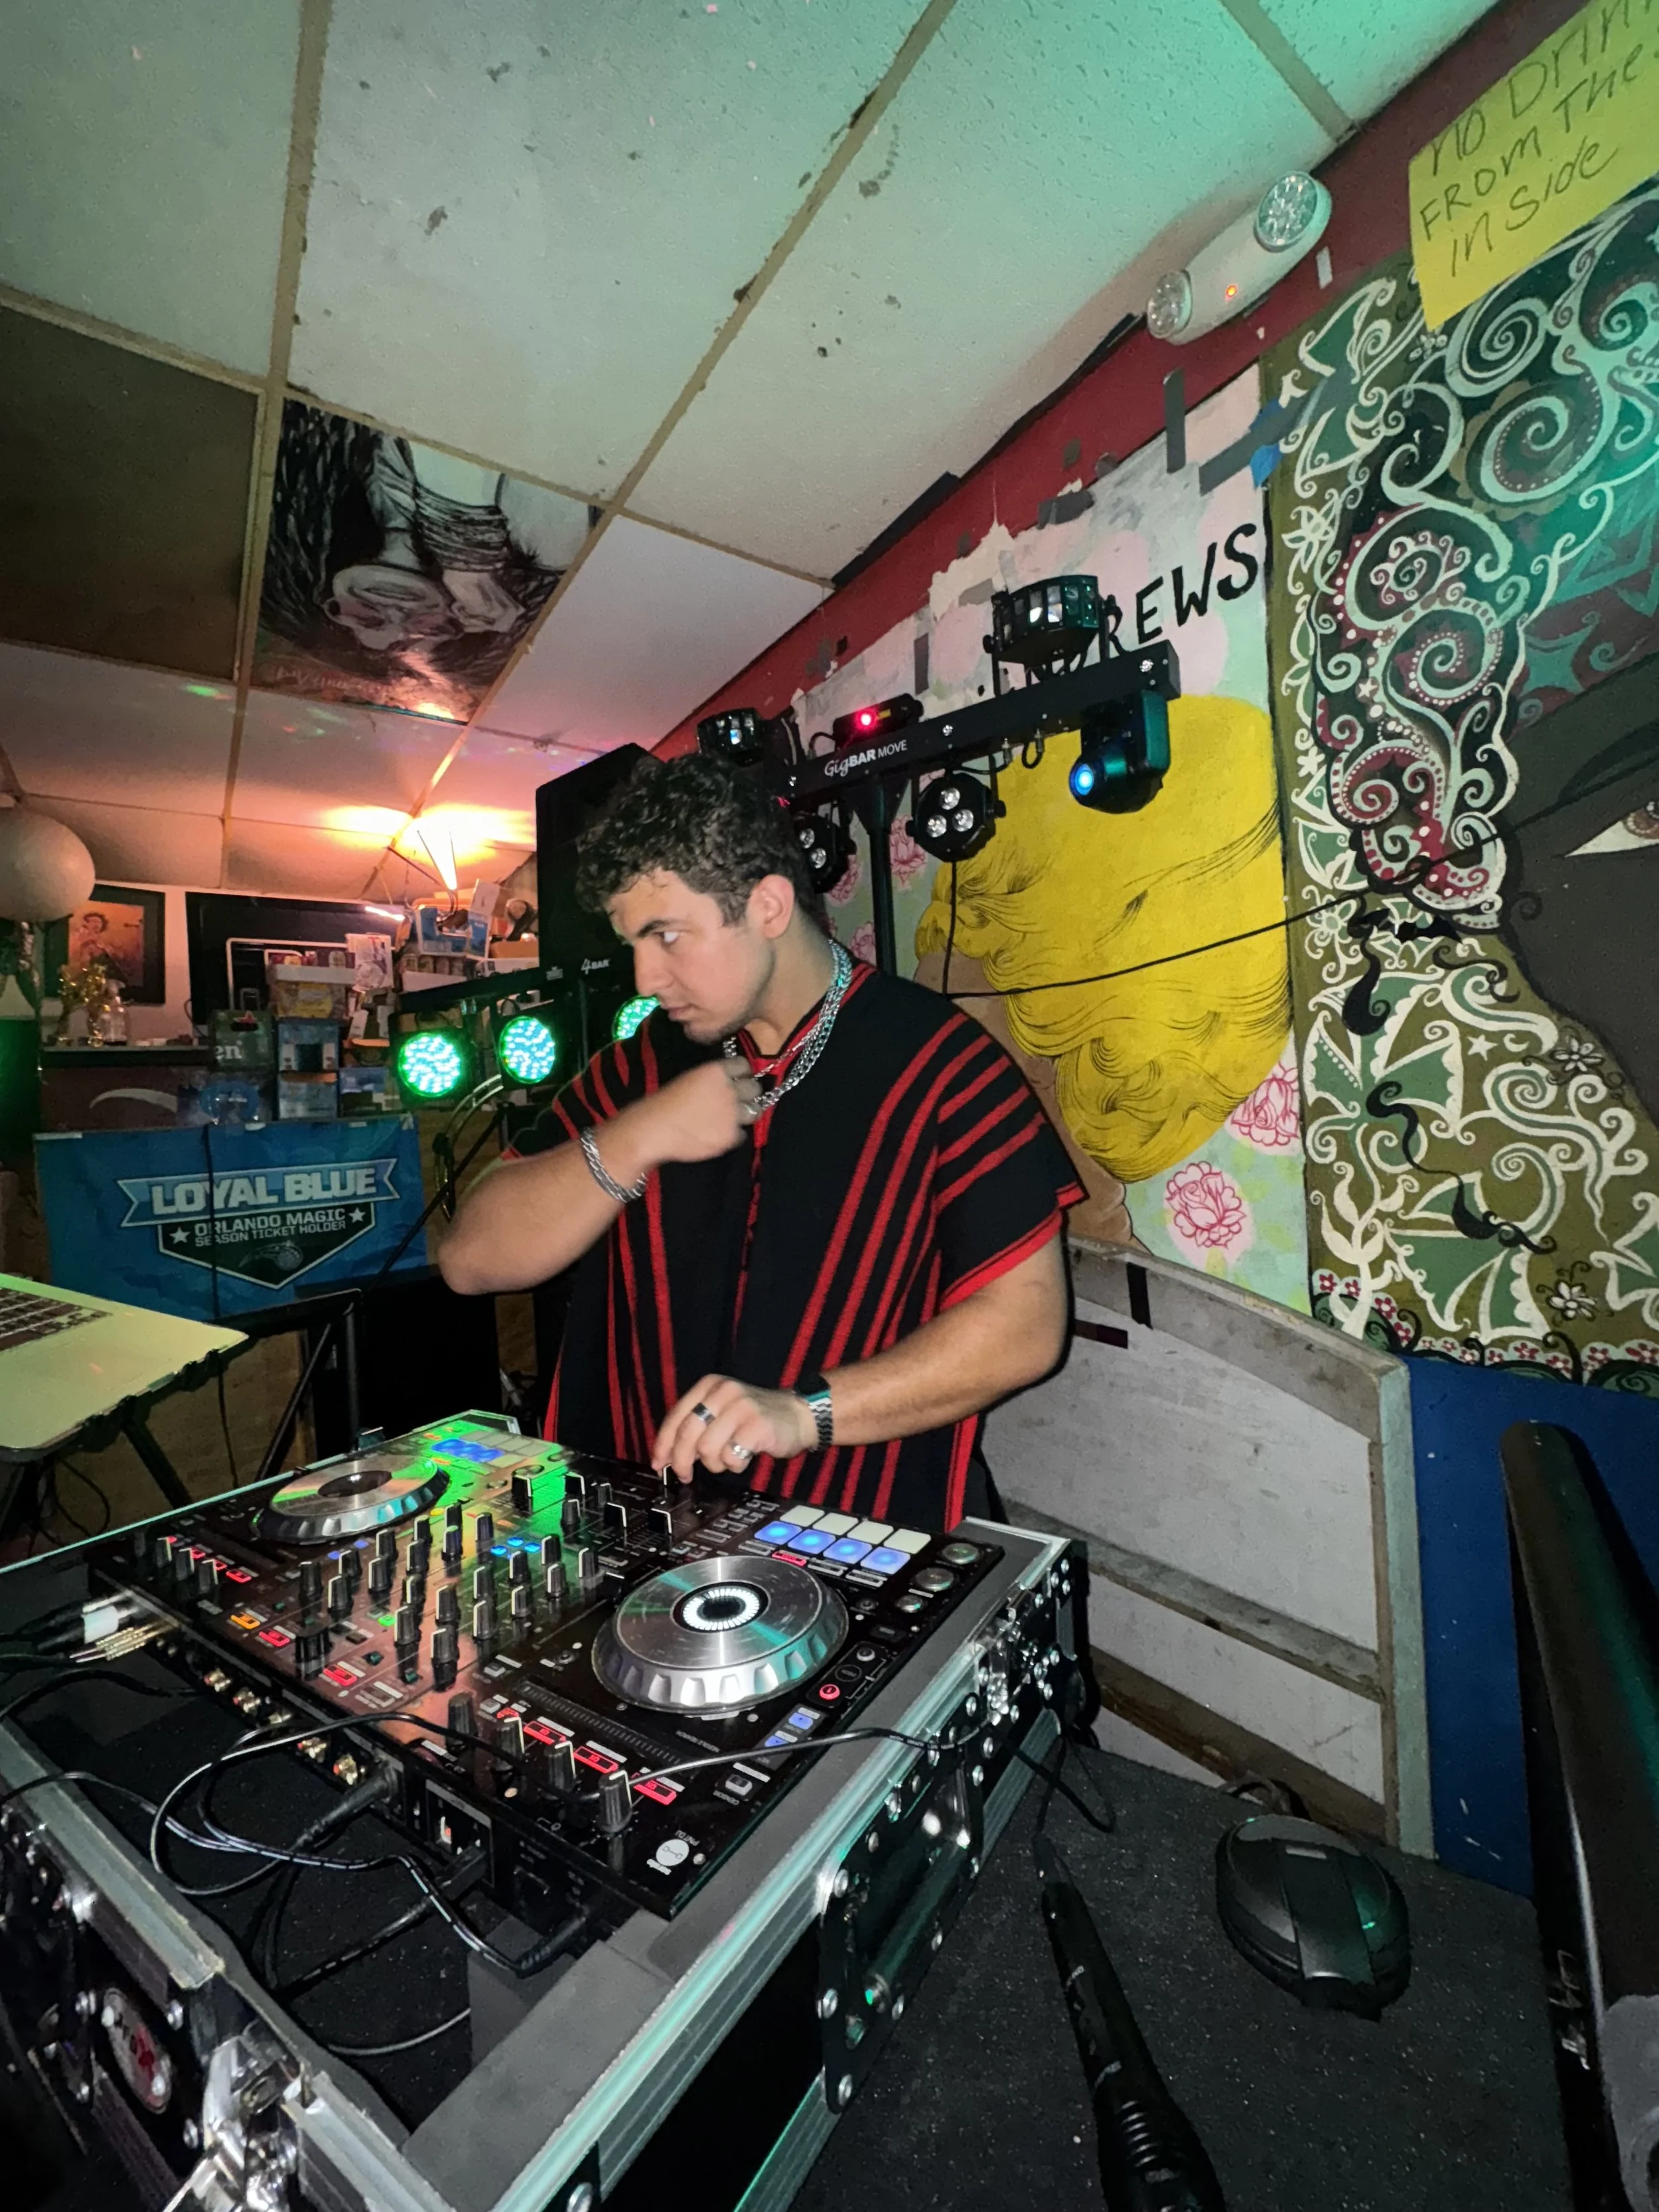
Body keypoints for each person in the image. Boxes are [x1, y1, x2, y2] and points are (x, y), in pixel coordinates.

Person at [439, 755, 1082, 1529]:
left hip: (849, 1536)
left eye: (667, 935)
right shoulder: (640, 1067)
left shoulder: (940, 1064)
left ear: (769, 906)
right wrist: (637, 1137)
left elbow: (1025, 1325)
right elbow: (469, 1261)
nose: (644, 977)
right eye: (633, 943)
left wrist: (802, 1412)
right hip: (632, 1523)